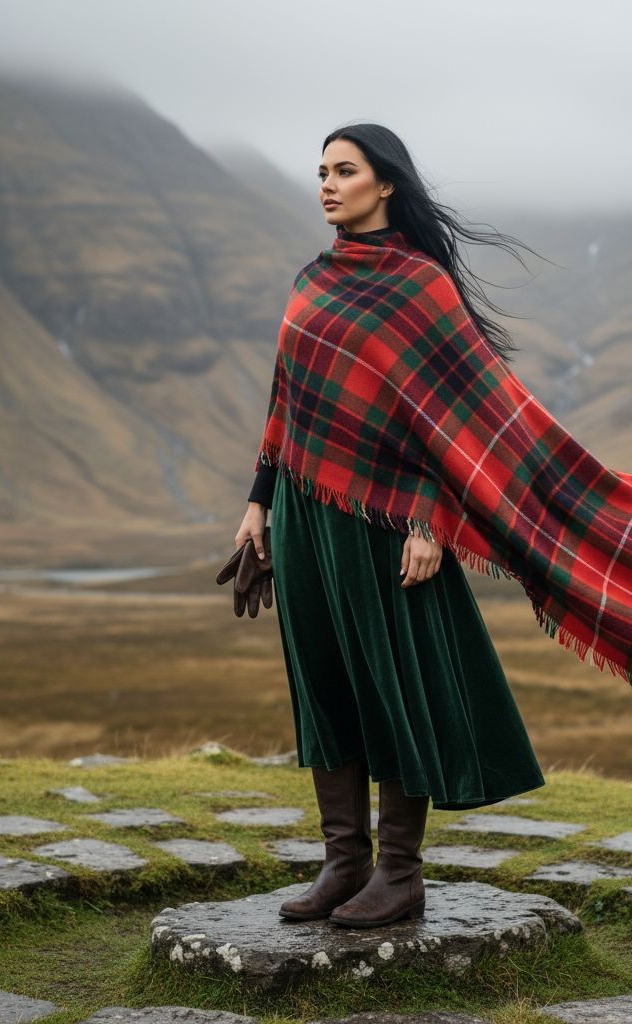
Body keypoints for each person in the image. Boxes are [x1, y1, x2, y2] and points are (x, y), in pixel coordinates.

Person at [234, 123, 554, 929]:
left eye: (345, 171)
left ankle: (401, 874)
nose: (327, 185)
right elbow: (287, 404)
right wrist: (258, 504)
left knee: (391, 684)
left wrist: (427, 520)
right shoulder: (312, 280)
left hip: (386, 518)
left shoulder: (420, 286)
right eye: (321, 172)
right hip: (307, 509)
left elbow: (447, 421)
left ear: (385, 184)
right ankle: (345, 863)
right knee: (323, 680)